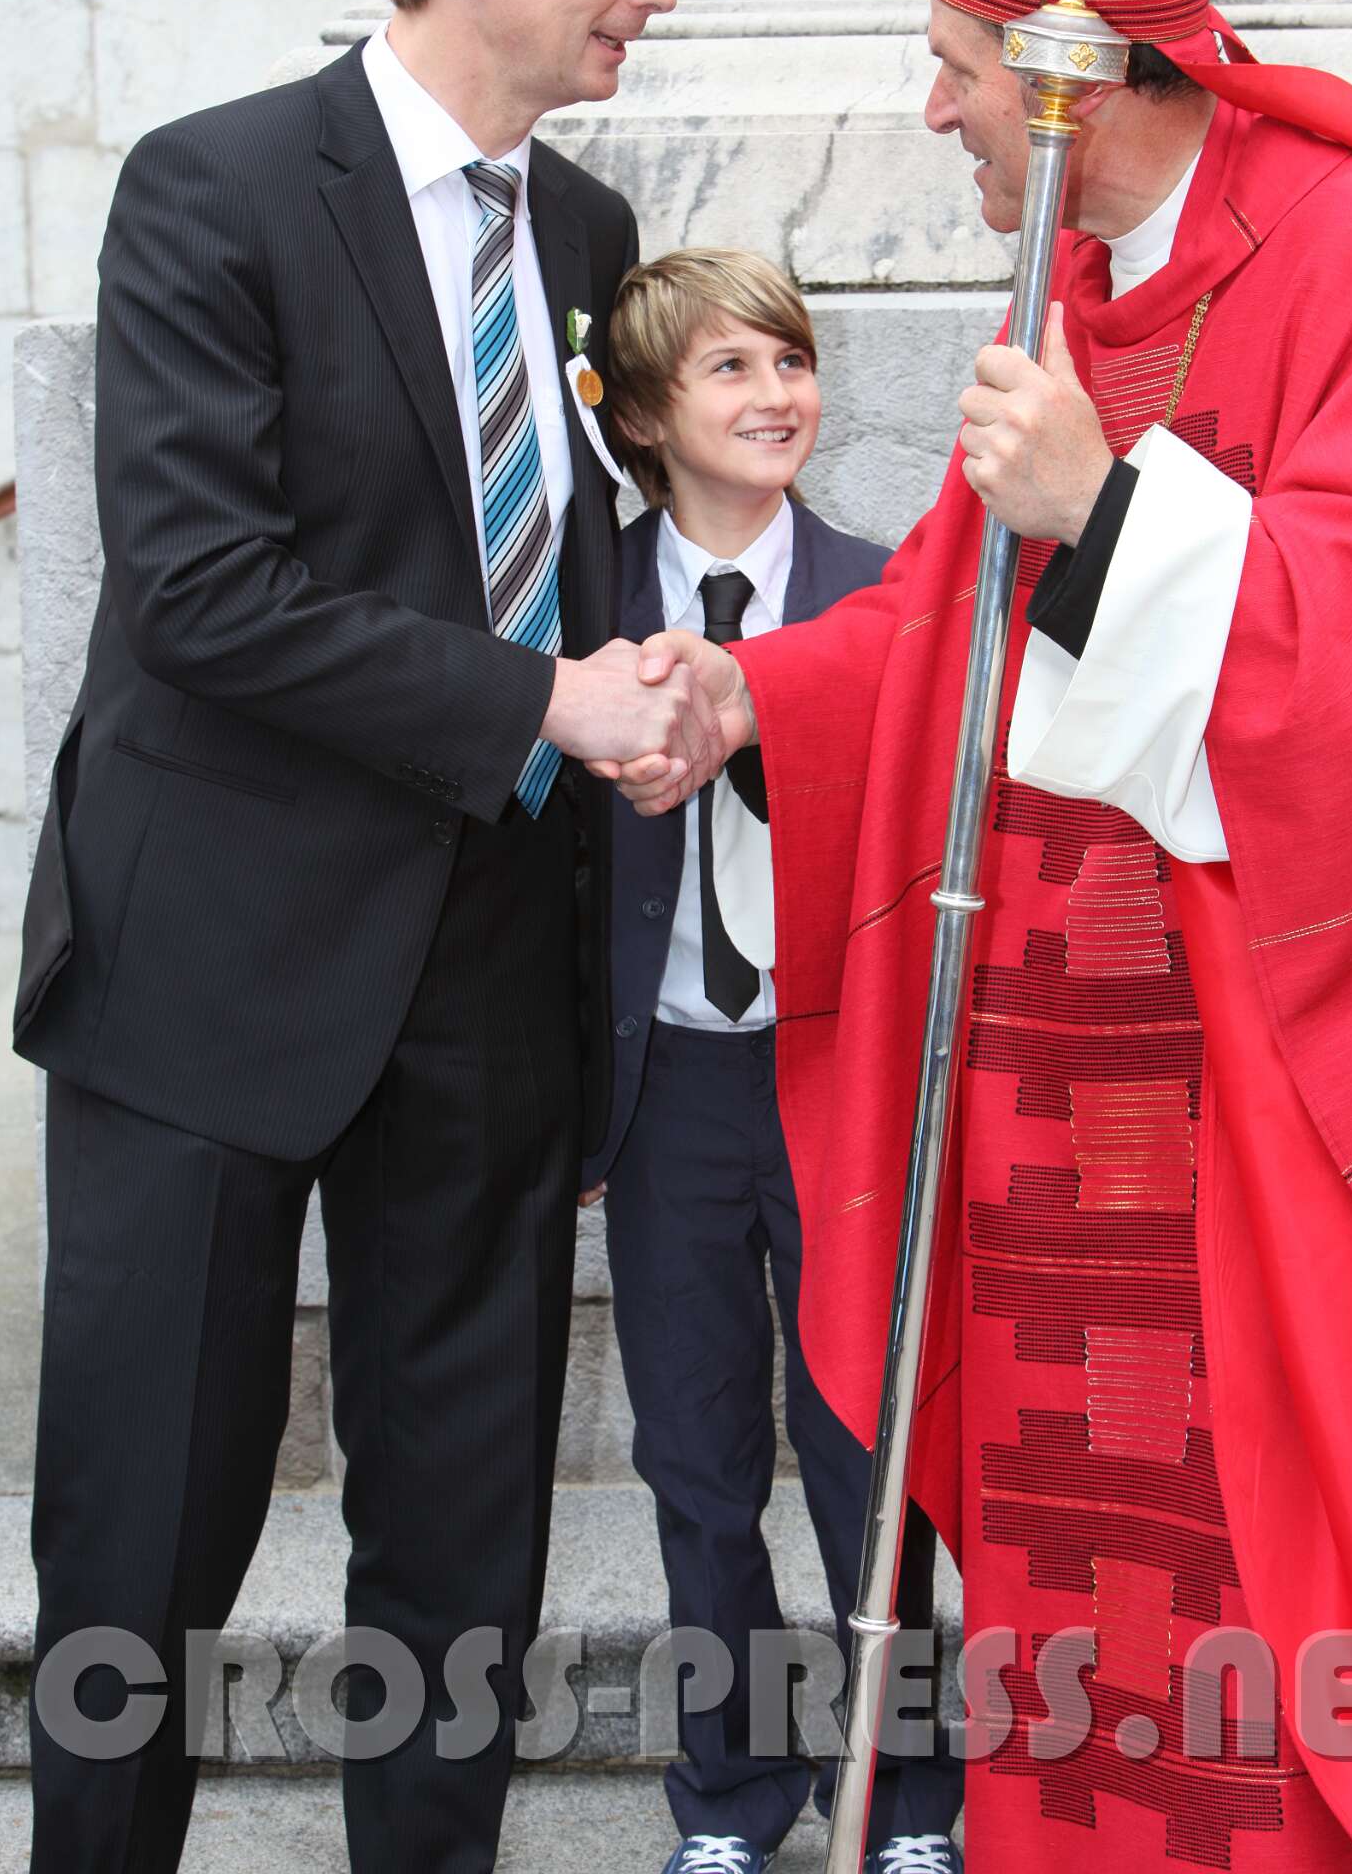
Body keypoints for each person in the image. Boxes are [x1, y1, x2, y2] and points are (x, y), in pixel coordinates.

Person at [614, 0, 1352, 1873]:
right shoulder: (1080, 285)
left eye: (953, 72)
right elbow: (933, 631)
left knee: (1263, 1621)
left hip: (1254, 1118)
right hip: (1048, 1131)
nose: (933, 116)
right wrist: (746, 700)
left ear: (1067, 82)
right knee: (1073, 1624)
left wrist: (1110, 517)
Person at [11, 0, 720, 1874]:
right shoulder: (213, 189)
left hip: (489, 979)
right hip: (208, 977)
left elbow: (568, 564)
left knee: (464, 1555)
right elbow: (203, 592)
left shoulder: (587, 232)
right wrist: (542, 698)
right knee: (139, 1549)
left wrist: (660, 694)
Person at [590, 247, 965, 1874]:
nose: (775, 394)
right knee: (695, 1460)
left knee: (873, 1466)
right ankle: (731, 1800)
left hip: (838, 1088)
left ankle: (908, 1806)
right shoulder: (580, 606)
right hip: (669, 1089)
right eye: (731, 368)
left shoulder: (885, 593)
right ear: (646, 416)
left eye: (791, 360)